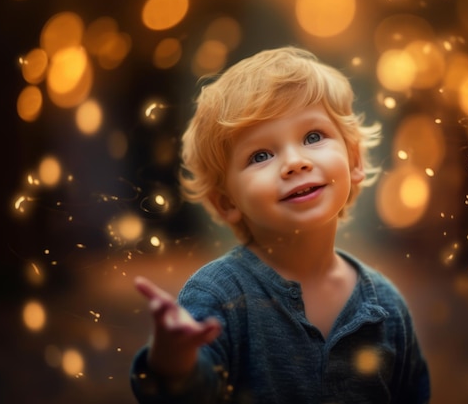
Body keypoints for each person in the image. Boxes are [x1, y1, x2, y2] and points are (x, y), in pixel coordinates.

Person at [130, 46, 430, 403]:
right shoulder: (218, 296)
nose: (295, 162)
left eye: (313, 136)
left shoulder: (386, 307)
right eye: (261, 155)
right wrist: (174, 362)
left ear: (354, 161)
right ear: (227, 202)